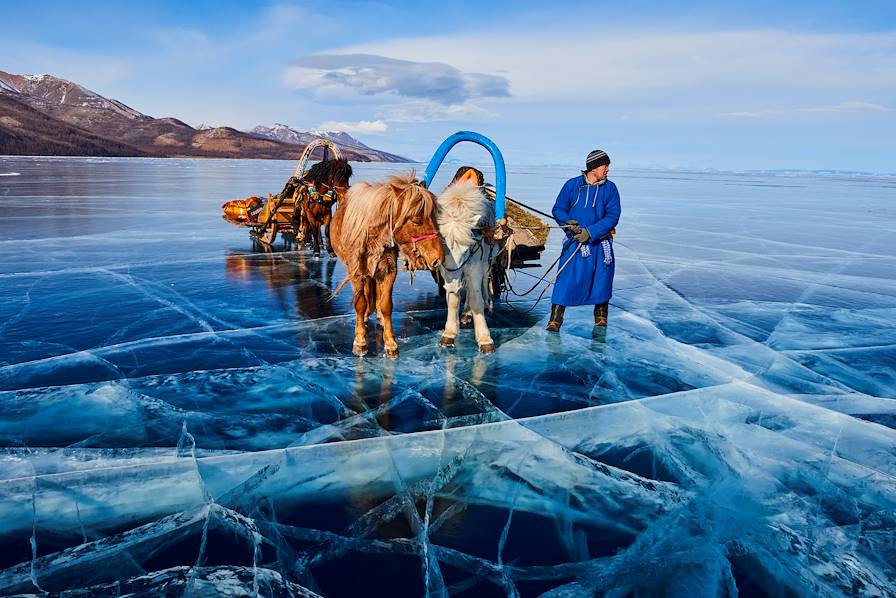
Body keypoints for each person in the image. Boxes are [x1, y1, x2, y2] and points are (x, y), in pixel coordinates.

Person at [546, 149, 621, 331]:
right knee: (566, 277)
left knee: (602, 278)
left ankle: (601, 316)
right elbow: (558, 209)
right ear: (594, 167)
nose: (608, 170)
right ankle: (555, 319)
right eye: (605, 165)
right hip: (575, 242)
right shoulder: (572, 186)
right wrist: (567, 223)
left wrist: (591, 231)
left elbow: (613, 215)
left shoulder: (610, 188)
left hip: (599, 242)